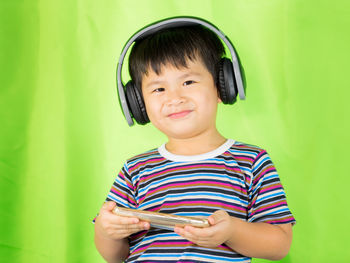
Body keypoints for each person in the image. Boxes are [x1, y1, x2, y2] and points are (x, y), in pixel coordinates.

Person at [94, 17, 295, 263]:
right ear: (139, 104)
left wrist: (231, 231)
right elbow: (115, 256)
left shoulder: (251, 161)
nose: (174, 98)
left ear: (223, 86)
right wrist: (107, 231)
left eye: (188, 82)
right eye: (159, 89)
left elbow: (279, 245)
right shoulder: (135, 169)